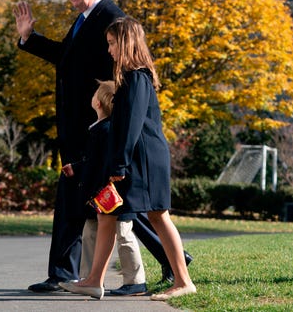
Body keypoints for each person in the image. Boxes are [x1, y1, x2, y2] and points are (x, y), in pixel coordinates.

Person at [61, 16, 196, 301]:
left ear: (124, 43)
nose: (109, 49)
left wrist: (119, 164)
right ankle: (94, 280)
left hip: (142, 160)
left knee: (158, 215)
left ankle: (184, 281)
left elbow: (132, 125)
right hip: (135, 157)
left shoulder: (136, 77)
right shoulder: (132, 78)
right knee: (106, 211)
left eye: (111, 43)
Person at [13, 0, 124, 292]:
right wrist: (29, 38)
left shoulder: (111, 18)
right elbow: (67, 58)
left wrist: (107, 119)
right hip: (80, 126)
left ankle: (170, 257)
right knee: (76, 200)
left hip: (93, 125)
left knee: (117, 202)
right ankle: (62, 272)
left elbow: (119, 75)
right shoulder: (86, 19)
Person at [71, 80, 148, 297]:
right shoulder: (99, 129)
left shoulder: (108, 130)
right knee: (90, 233)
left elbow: (103, 164)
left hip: (114, 194)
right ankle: (89, 278)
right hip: (100, 195)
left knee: (124, 233)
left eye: (96, 93)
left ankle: (135, 280)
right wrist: (78, 168)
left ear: (99, 102)